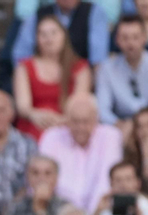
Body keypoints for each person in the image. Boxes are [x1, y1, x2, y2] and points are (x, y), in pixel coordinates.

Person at [37, 93, 122, 215]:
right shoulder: (52, 136)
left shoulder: (111, 136)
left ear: (96, 120)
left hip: (99, 212)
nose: (80, 127)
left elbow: (105, 182)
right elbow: (44, 179)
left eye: (85, 121)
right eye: (75, 121)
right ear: (66, 120)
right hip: (59, 213)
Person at [13, 14, 90, 142]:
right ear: (36, 39)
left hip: (69, 127)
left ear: (64, 35)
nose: (48, 39)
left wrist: (59, 121)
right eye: (43, 34)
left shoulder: (80, 68)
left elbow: (79, 106)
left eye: (53, 33)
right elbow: (23, 107)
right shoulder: (24, 67)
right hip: (33, 125)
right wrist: (36, 115)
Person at [97, 15, 148, 129]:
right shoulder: (106, 69)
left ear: (145, 38)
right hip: (122, 127)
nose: (130, 43)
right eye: (125, 38)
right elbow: (102, 110)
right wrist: (120, 125)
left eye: (135, 37)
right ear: (117, 40)